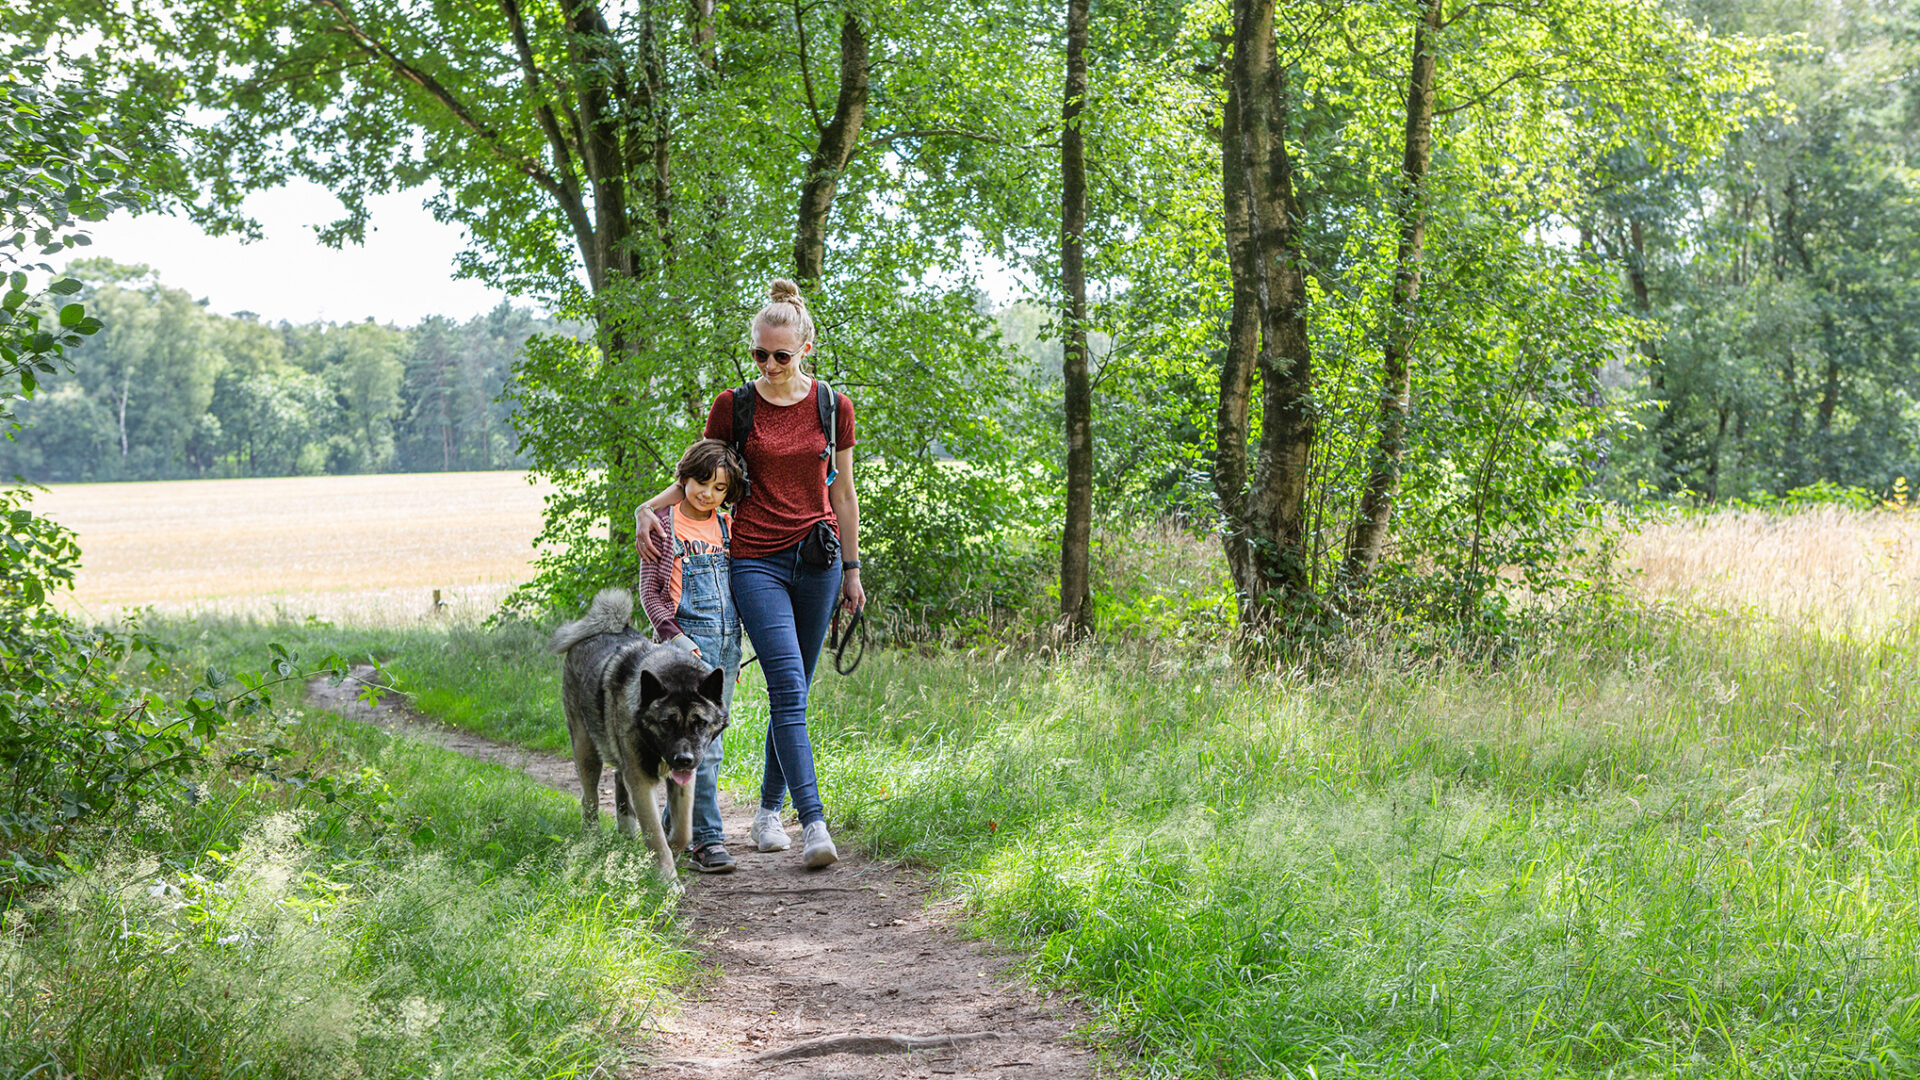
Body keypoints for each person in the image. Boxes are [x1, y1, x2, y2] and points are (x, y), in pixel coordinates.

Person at [636, 278, 865, 870]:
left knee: (796, 693)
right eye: (759, 354)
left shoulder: (832, 407)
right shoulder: (733, 405)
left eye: (780, 356)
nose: (768, 365)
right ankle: (813, 824)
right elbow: (699, 475)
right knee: (786, 686)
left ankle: (766, 812)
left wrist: (852, 569)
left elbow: (843, 494)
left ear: (805, 349)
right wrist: (648, 509)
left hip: (817, 560)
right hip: (755, 560)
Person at [637, 438, 746, 874]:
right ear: (683, 479)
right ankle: (707, 840)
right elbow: (651, 594)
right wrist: (679, 640)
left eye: (720, 488)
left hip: (726, 650)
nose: (708, 494)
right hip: (681, 650)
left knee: (707, 740)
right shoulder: (663, 527)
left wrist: (737, 649)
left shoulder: (729, 526)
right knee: (701, 747)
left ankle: (672, 831)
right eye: (702, 483)